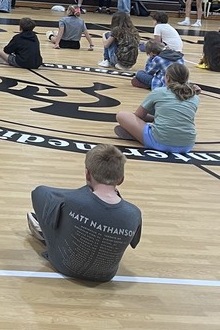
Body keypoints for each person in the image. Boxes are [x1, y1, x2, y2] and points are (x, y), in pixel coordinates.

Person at [27, 145, 142, 284]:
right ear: (121, 179)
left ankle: (45, 231)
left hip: (64, 266)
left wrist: (82, 193)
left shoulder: (70, 201)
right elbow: (134, 242)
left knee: (53, 208)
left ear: (87, 174)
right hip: (105, 276)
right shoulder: (134, 213)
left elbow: (39, 193)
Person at [115, 62, 200, 154]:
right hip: (187, 145)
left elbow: (139, 115)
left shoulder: (159, 92)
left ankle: (137, 134)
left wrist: (132, 124)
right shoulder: (195, 97)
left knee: (122, 115)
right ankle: (142, 131)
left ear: (167, 78)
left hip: (160, 142)